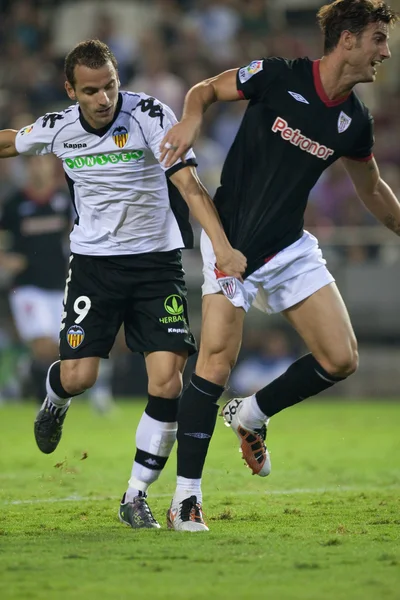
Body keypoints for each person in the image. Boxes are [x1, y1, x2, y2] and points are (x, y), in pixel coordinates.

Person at [160, 0, 400, 531]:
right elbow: (204, 90)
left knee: (341, 358)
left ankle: (252, 413)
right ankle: (186, 501)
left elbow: (374, 190)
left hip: (288, 248)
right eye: (378, 39)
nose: (385, 51)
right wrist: (192, 120)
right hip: (231, 241)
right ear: (348, 40)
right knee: (215, 364)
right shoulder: (276, 75)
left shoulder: (353, 121)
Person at [0, 39, 246, 529]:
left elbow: (189, 184)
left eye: (110, 85)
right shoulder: (58, 129)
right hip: (95, 267)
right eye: (90, 90)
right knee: (79, 378)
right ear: (71, 90)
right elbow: (10, 141)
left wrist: (220, 245)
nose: (104, 98)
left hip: (157, 265)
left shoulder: (150, 115)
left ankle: (135, 494)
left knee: (167, 380)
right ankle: (55, 395)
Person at [0, 155, 71, 402]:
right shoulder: (14, 204)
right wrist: (5, 259)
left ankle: (24, 371)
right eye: (34, 163)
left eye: (43, 162)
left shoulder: (64, 199)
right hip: (27, 285)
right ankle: (43, 393)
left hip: (58, 284)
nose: (39, 167)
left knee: (58, 349)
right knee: (43, 344)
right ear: (28, 168)